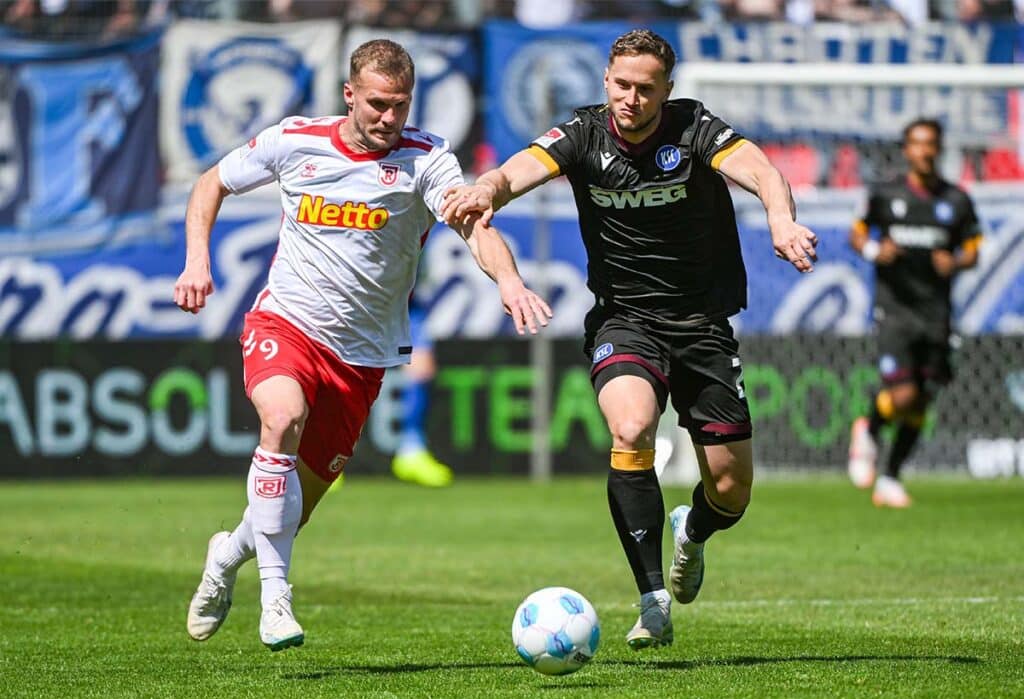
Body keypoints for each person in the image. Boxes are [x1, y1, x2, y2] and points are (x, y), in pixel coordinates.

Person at [442, 28, 816, 649]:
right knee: (631, 428)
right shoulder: (582, 134)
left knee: (730, 490)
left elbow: (761, 170)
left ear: (667, 91)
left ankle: (691, 534)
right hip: (625, 319)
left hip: (701, 323)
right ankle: (652, 599)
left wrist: (780, 218)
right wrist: (485, 189)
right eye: (621, 85)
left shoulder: (694, 127)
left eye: (646, 89)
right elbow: (514, 173)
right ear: (606, 81)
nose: (631, 99)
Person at [175, 38, 551, 652]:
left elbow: (474, 227)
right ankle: (276, 601)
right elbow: (209, 184)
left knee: (292, 511)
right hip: (287, 324)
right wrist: (197, 261)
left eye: (400, 105)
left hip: (363, 357)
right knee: (281, 417)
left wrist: (508, 280)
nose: (388, 118)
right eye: (377, 104)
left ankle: (226, 556)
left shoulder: (427, 159)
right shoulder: (295, 140)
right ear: (349, 94)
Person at [847, 118, 982, 508]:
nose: (924, 151)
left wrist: (956, 262)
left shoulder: (957, 200)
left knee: (922, 399)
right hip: (895, 309)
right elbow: (857, 233)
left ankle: (890, 477)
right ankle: (869, 428)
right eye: (916, 144)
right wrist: (875, 250)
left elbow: (973, 249)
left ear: (938, 149)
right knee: (903, 396)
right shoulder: (885, 194)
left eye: (930, 144)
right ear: (907, 150)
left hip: (936, 313)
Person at [390, 289, 454, 487]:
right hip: (356, 298)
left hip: (405, 301)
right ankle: (328, 456)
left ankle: (411, 451)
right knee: (346, 368)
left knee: (421, 368)